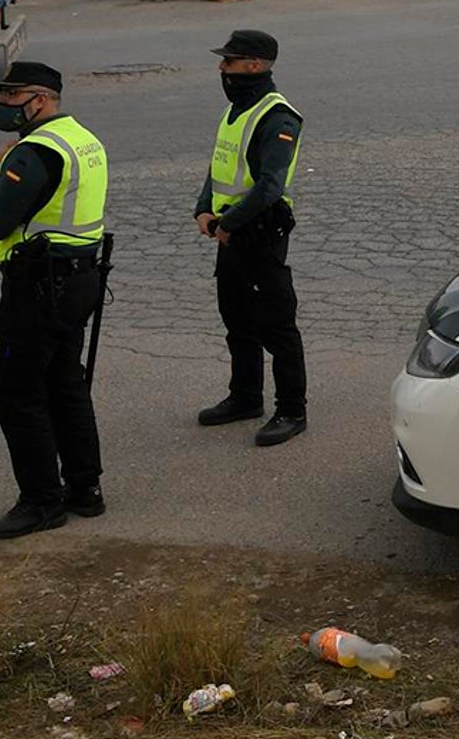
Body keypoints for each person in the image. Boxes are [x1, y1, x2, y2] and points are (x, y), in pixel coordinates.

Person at [0, 61, 109, 539]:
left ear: (42, 100)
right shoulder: (82, 138)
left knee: (19, 394)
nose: (4, 105)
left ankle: (40, 501)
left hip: (36, 289)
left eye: (14, 97)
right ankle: (84, 489)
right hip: (78, 281)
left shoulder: (32, 154)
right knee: (65, 383)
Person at [194, 29, 308, 446]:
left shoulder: (277, 116)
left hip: (259, 232)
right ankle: (245, 397)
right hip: (231, 232)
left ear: (256, 66)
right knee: (236, 319)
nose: (221, 68)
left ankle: (292, 410)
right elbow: (219, 165)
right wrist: (203, 208)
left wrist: (227, 224)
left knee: (276, 324)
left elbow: (268, 186)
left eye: (230, 61)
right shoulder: (236, 111)